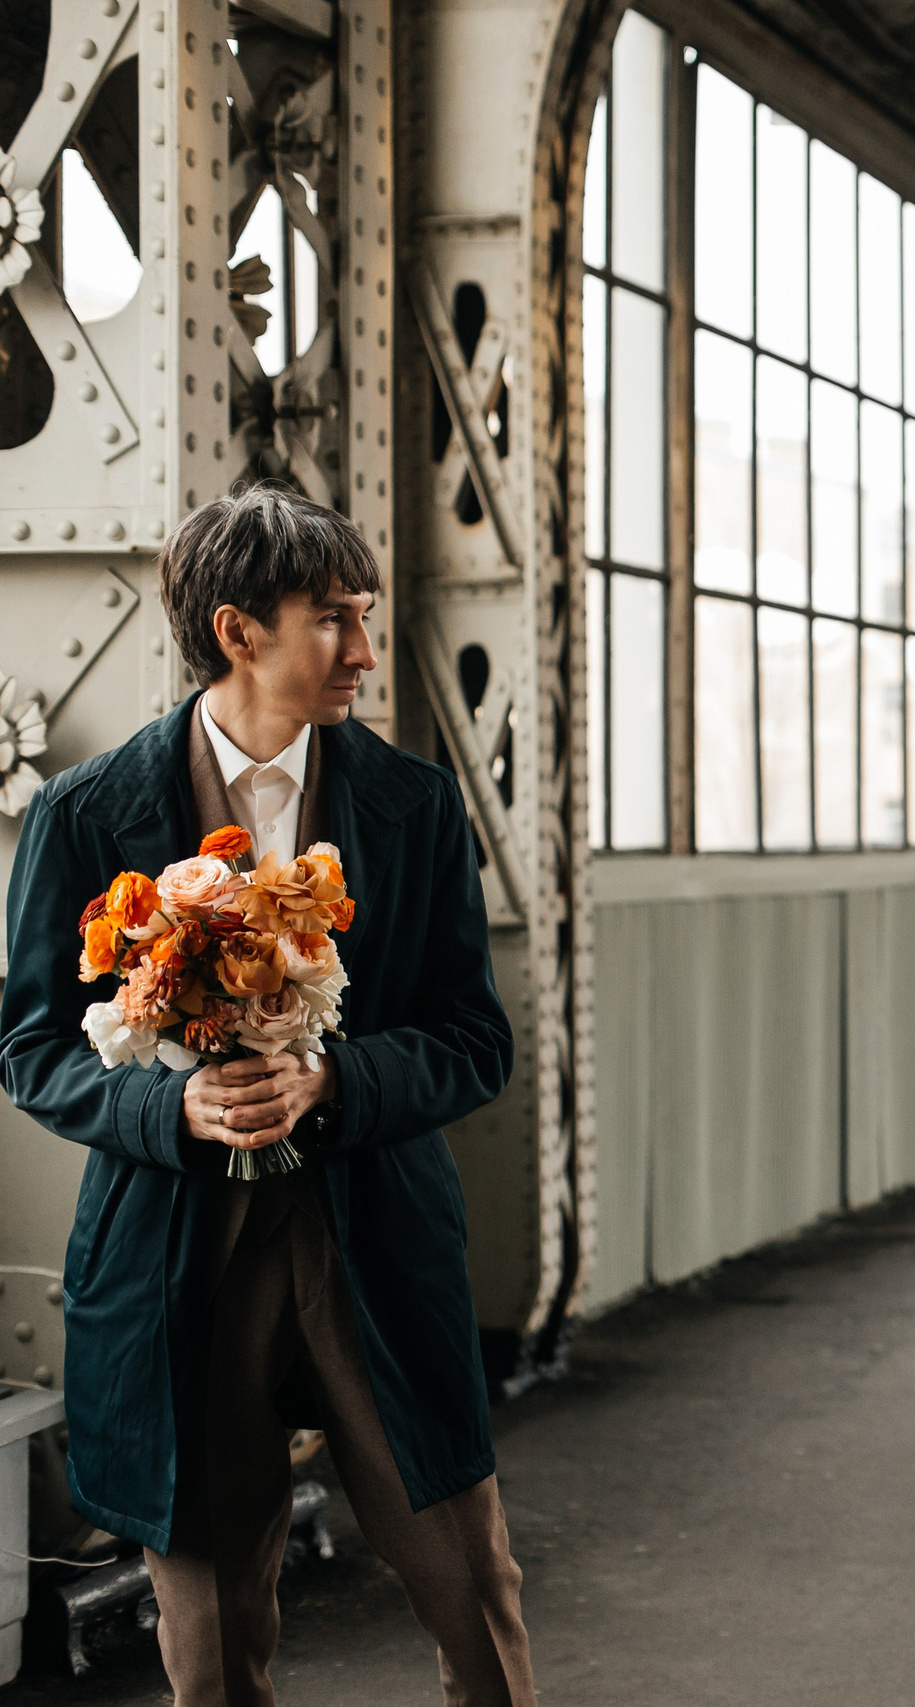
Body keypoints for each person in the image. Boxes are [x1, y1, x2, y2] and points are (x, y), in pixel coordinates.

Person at [0, 485, 535, 1705]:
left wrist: (336, 1078)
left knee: (471, 1576)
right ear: (238, 631)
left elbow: (472, 1039)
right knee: (207, 1622)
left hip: (377, 1243)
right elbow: (32, 1042)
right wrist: (168, 1111)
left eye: (363, 614)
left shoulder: (414, 807)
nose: (360, 648)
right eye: (332, 618)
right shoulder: (87, 816)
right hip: (174, 1254)